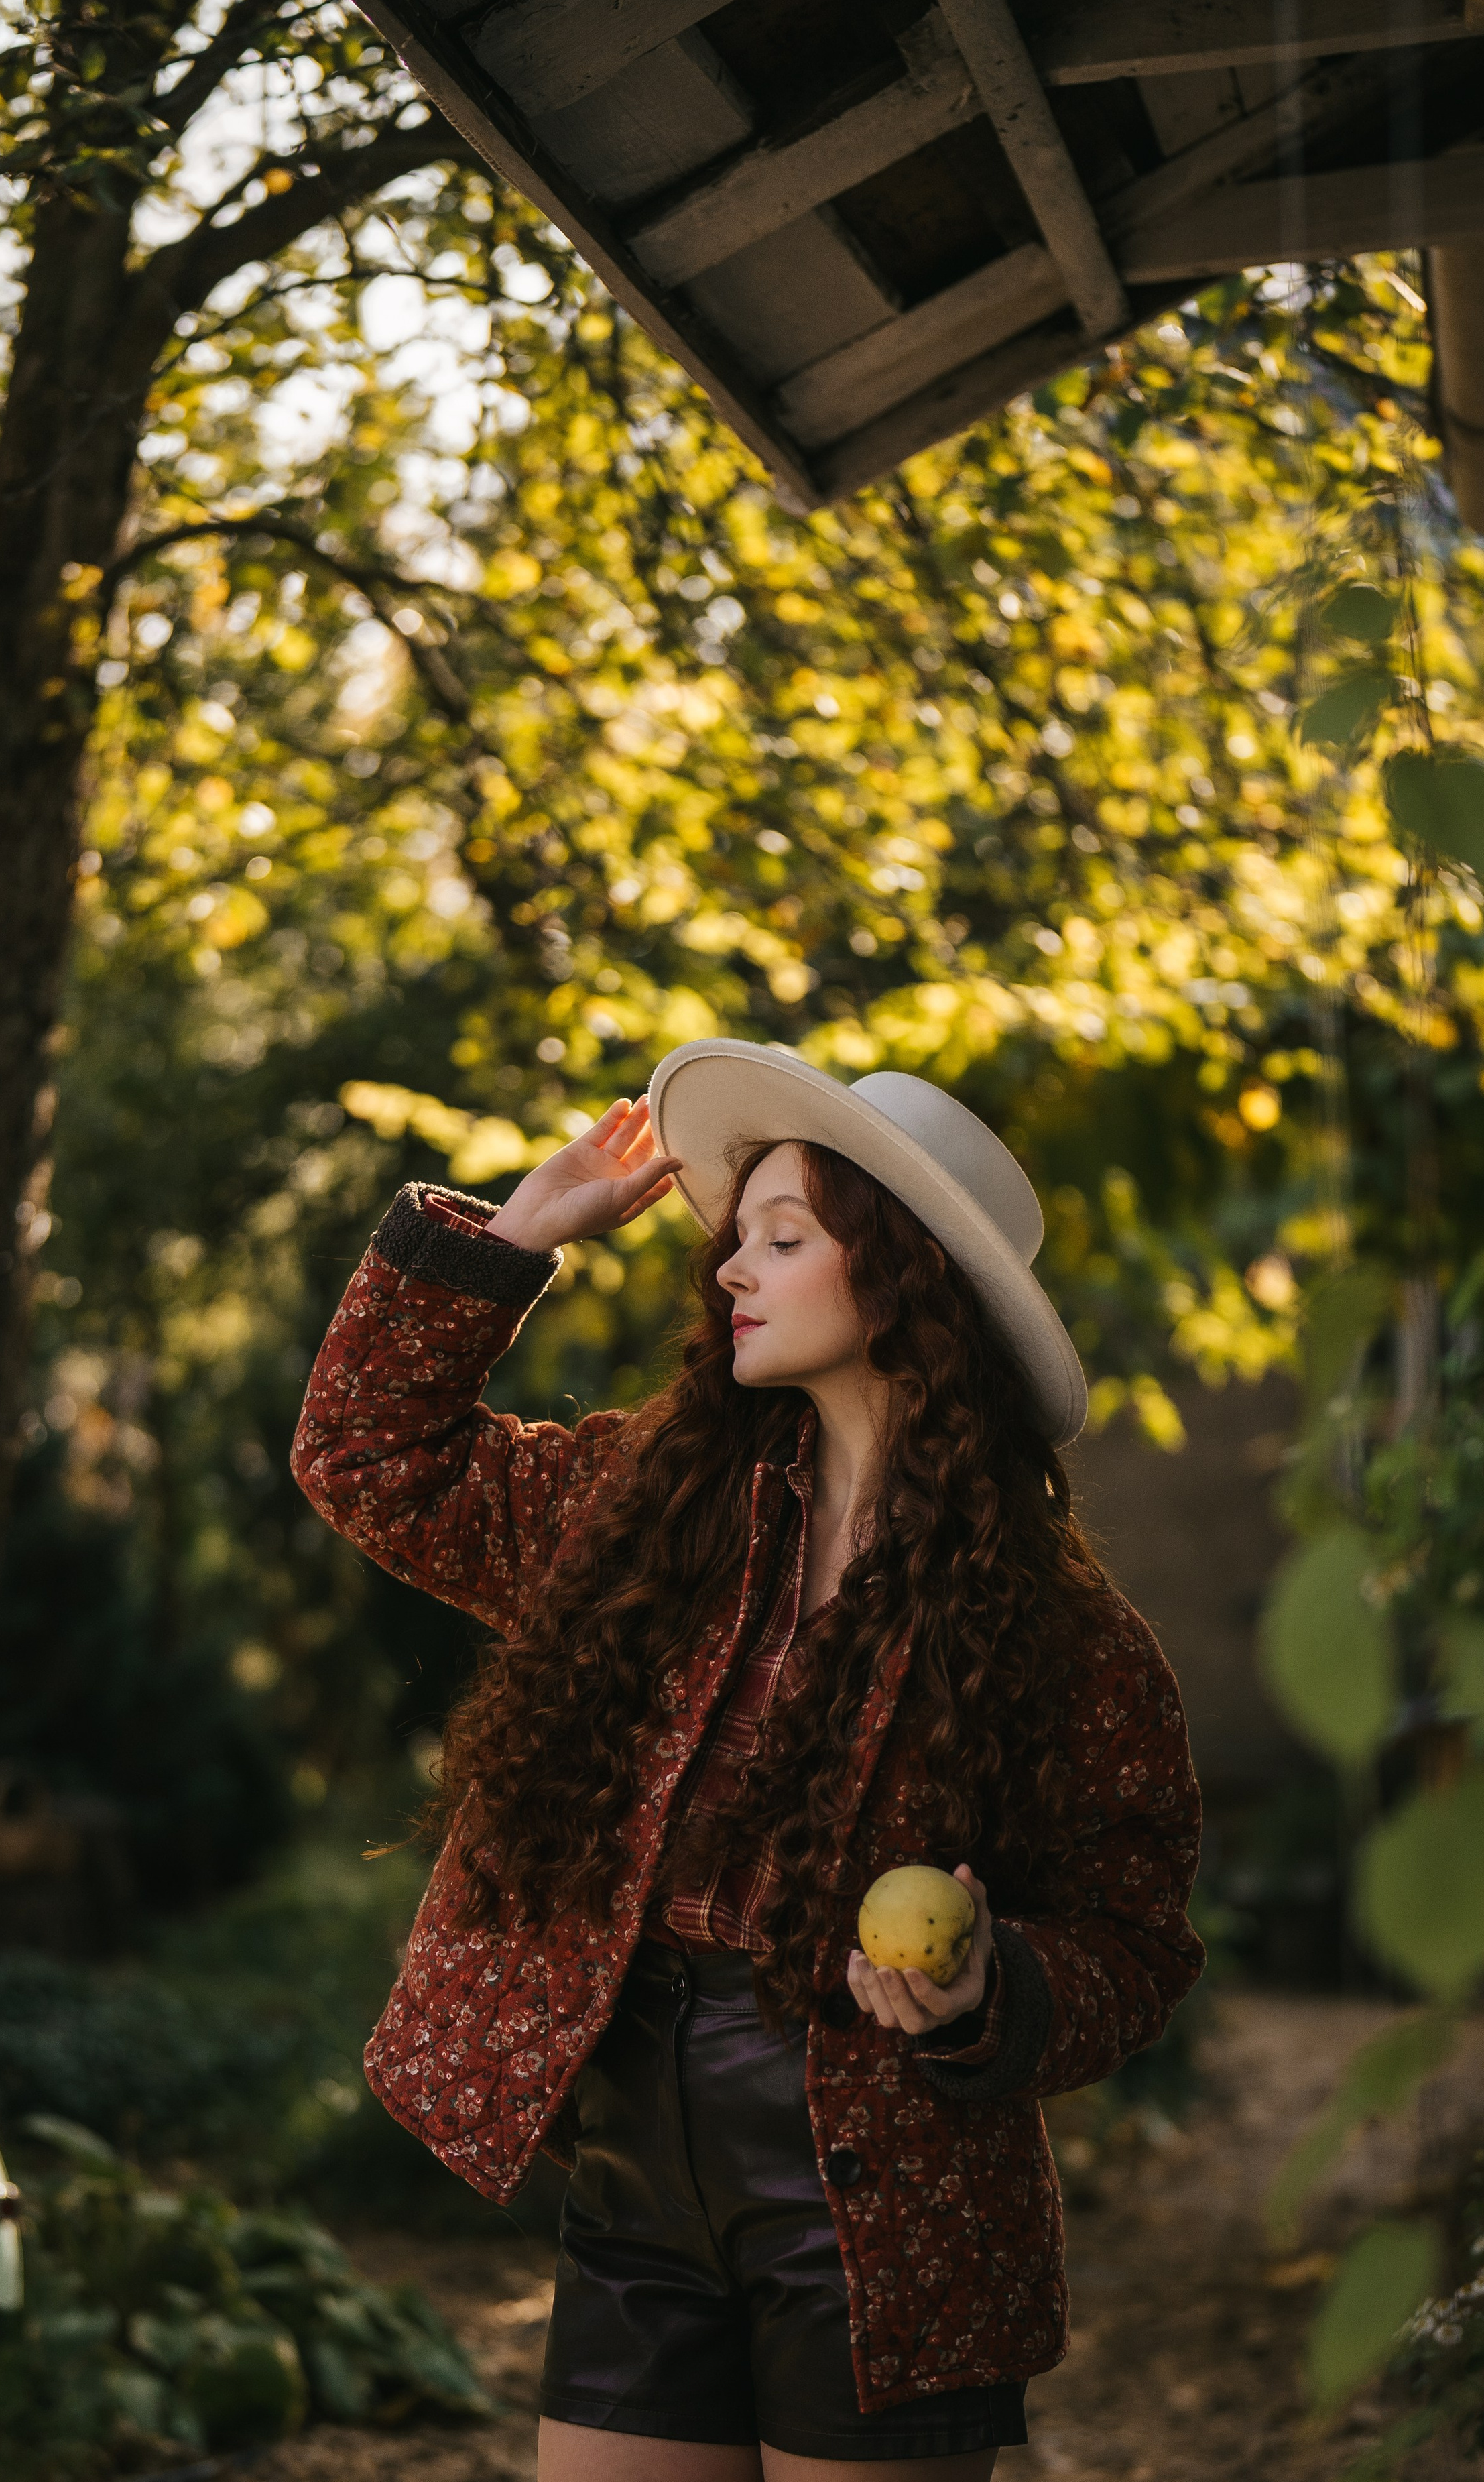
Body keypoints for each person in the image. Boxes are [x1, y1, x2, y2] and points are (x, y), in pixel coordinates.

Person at [292, 1037, 1204, 2481]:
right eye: (740, 1236)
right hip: (635, 2164)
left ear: (904, 1284)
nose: (729, 1269)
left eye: (784, 1239)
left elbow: (1135, 1939)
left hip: (890, 2197)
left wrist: (993, 1989)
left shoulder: (1059, 1635)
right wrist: (515, 1239)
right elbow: (366, 1455)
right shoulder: (642, 1510)